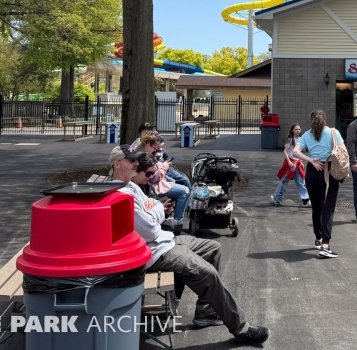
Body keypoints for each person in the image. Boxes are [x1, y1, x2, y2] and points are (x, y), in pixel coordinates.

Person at [109, 145, 269, 346]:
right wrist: (156, 210)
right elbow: (149, 227)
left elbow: (153, 205)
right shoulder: (120, 194)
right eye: (131, 160)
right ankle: (242, 328)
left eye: (135, 160)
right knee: (208, 274)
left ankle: (206, 312)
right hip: (156, 252)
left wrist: (155, 208)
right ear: (117, 164)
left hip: (163, 240)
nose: (135, 163)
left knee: (213, 249)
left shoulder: (130, 186)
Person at [292, 109, 343, 259]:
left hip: (312, 173)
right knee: (328, 208)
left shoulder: (307, 135)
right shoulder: (333, 133)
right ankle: (325, 246)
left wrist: (310, 160)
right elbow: (343, 153)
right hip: (329, 171)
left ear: (311, 120)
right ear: (325, 119)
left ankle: (318, 239)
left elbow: (295, 152)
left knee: (316, 208)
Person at [139, 134, 190, 221]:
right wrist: (165, 166)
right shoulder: (144, 157)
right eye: (154, 148)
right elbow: (154, 177)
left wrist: (162, 166)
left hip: (156, 183)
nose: (155, 150)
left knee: (184, 180)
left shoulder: (146, 155)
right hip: (153, 186)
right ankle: (177, 222)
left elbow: (154, 171)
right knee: (184, 190)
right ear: (148, 146)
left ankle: (173, 215)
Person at [130, 123, 191, 189]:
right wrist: (164, 167)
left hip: (161, 168)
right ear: (143, 132)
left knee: (184, 178)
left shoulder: (144, 143)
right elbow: (153, 175)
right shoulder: (143, 146)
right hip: (159, 174)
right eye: (150, 130)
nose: (152, 132)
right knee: (183, 184)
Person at [271, 124, 309, 206]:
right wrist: (288, 161)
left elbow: (299, 152)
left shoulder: (301, 140)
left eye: (299, 129)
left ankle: (305, 199)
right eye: (296, 129)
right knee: (284, 181)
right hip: (290, 164)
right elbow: (285, 151)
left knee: (301, 181)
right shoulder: (290, 140)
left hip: (297, 164)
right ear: (292, 130)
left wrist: (301, 161)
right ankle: (277, 198)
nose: (298, 131)